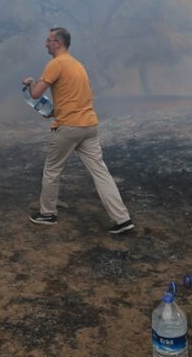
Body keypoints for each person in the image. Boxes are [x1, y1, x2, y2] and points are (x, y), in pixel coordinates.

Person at [22, 27, 135, 234]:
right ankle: (122, 219)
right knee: (101, 173)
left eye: (49, 41)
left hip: (69, 127)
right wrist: (55, 111)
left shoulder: (56, 64)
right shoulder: (77, 65)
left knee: (52, 170)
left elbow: (36, 94)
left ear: (59, 43)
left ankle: (47, 214)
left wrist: (30, 83)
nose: (45, 44)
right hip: (89, 125)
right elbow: (76, 98)